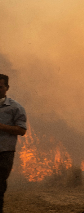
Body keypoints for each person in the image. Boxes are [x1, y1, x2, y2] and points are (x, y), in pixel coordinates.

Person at [0, 74, 27, 213]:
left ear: (7, 88)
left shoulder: (15, 108)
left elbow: (22, 130)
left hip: (4, 153)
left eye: (0, 87)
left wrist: (2, 126)